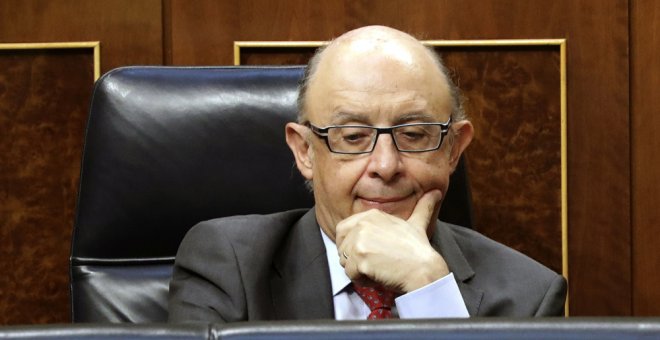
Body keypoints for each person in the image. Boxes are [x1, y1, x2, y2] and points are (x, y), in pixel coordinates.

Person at [168, 25, 567, 323]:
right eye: (354, 136)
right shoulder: (230, 266)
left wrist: (430, 291)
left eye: (413, 134)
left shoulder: (529, 297)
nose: (385, 165)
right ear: (305, 151)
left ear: (453, 149)